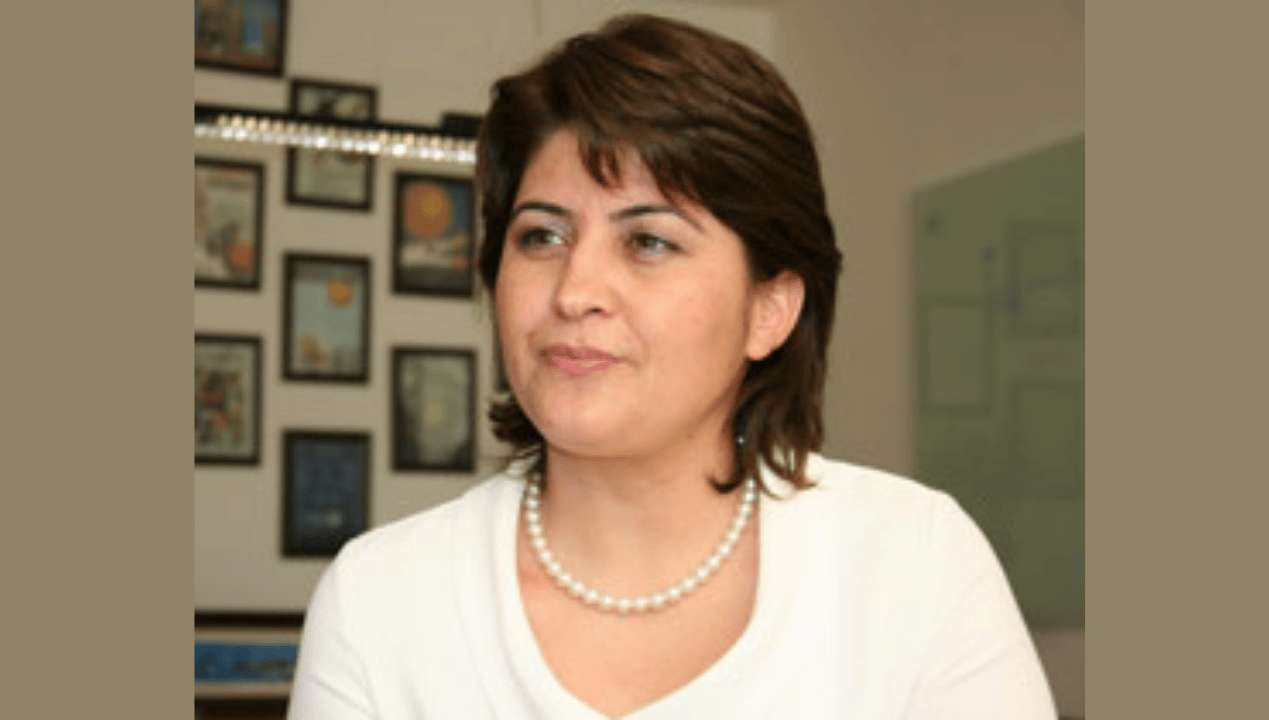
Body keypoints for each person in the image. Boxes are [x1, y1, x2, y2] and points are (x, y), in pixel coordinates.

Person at [288, 14, 1057, 720]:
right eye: (541, 236)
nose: (575, 291)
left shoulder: (916, 566)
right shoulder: (379, 601)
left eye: (648, 242)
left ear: (769, 310)